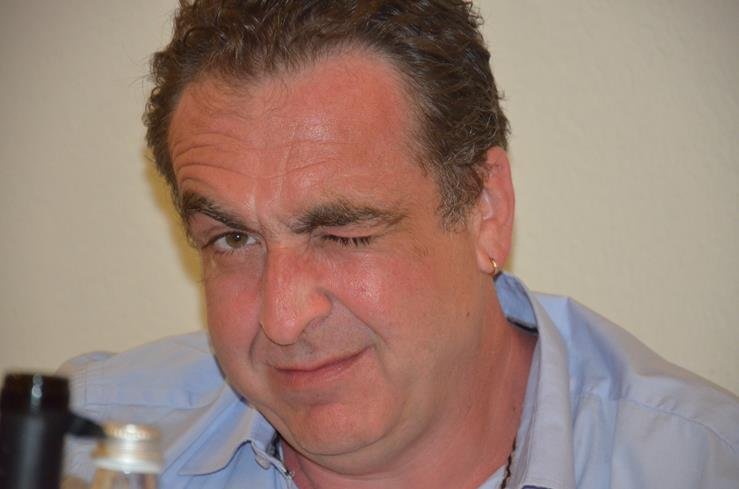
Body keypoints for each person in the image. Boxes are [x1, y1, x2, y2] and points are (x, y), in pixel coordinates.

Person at [61, 1, 738, 488]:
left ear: (486, 210)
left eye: (342, 234)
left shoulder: (702, 464)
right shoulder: (74, 443)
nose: (283, 318)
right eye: (234, 238)